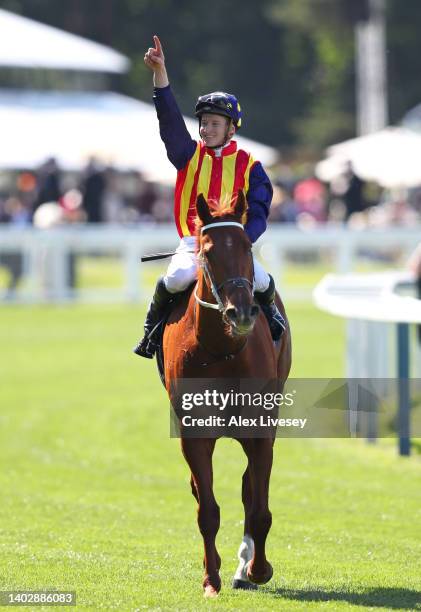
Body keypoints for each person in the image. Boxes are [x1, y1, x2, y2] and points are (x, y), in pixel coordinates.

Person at [134, 35, 286, 358]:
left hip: (236, 244)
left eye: (215, 123)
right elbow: (170, 123)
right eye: (204, 123)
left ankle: (273, 320)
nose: (207, 129)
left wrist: (243, 239)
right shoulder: (187, 155)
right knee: (176, 277)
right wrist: (161, 75)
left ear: (232, 128)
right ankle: (151, 332)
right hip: (194, 243)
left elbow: (259, 211)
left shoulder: (251, 166)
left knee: (262, 279)